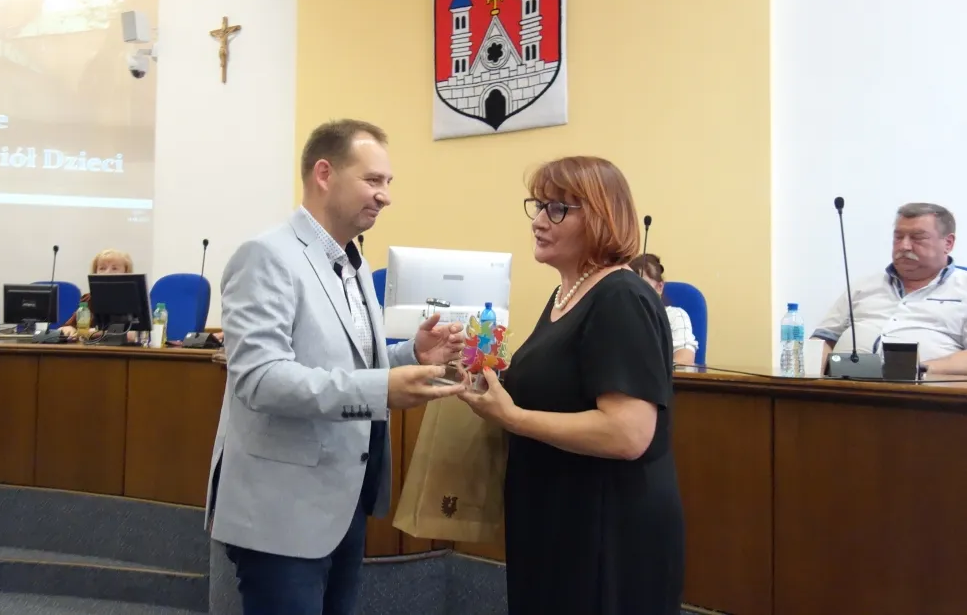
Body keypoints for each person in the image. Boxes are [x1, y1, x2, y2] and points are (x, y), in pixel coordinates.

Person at [206, 119, 467, 615]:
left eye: (388, 182)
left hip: (343, 502)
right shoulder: (266, 256)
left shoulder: (353, 263)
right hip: (282, 512)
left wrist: (412, 355)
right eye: (373, 180)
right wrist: (381, 389)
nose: (385, 195)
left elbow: (349, 365)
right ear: (324, 174)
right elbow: (260, 379)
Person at [459, 156, 685, 615]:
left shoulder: (621, 296)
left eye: (558, 209)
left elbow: (627, 433)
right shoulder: (565, 294)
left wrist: (513, 417)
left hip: (606, 529)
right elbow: (561, 388)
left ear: (600, 218)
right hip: (557, 516)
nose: (539, 221)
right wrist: (487, 376)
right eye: (538, 206)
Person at [812, 202, 967, 375]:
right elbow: (823, 340)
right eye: (898, 237)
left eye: (917, 238)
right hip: (841, 385)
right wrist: (812, 377)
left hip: (926, 388)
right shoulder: (864, 286)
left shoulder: (962, 288)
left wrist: (920, 369)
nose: (904, 246)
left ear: (948, 243)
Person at [632, 253, 699, 365]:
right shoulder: (621, 316)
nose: (637, 291)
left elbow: (685, 361)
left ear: (660, 287)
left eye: (644, 285)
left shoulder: (675, 316)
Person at [59, 249, 134, 338]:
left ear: (126, 273)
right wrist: (69, 329)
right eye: (102, 268)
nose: (107, 273)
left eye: (114, 268)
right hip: (91, 346)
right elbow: (68, 327)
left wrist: (95, 333)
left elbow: (136, 335)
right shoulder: (89, 299)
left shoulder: (134, 299)